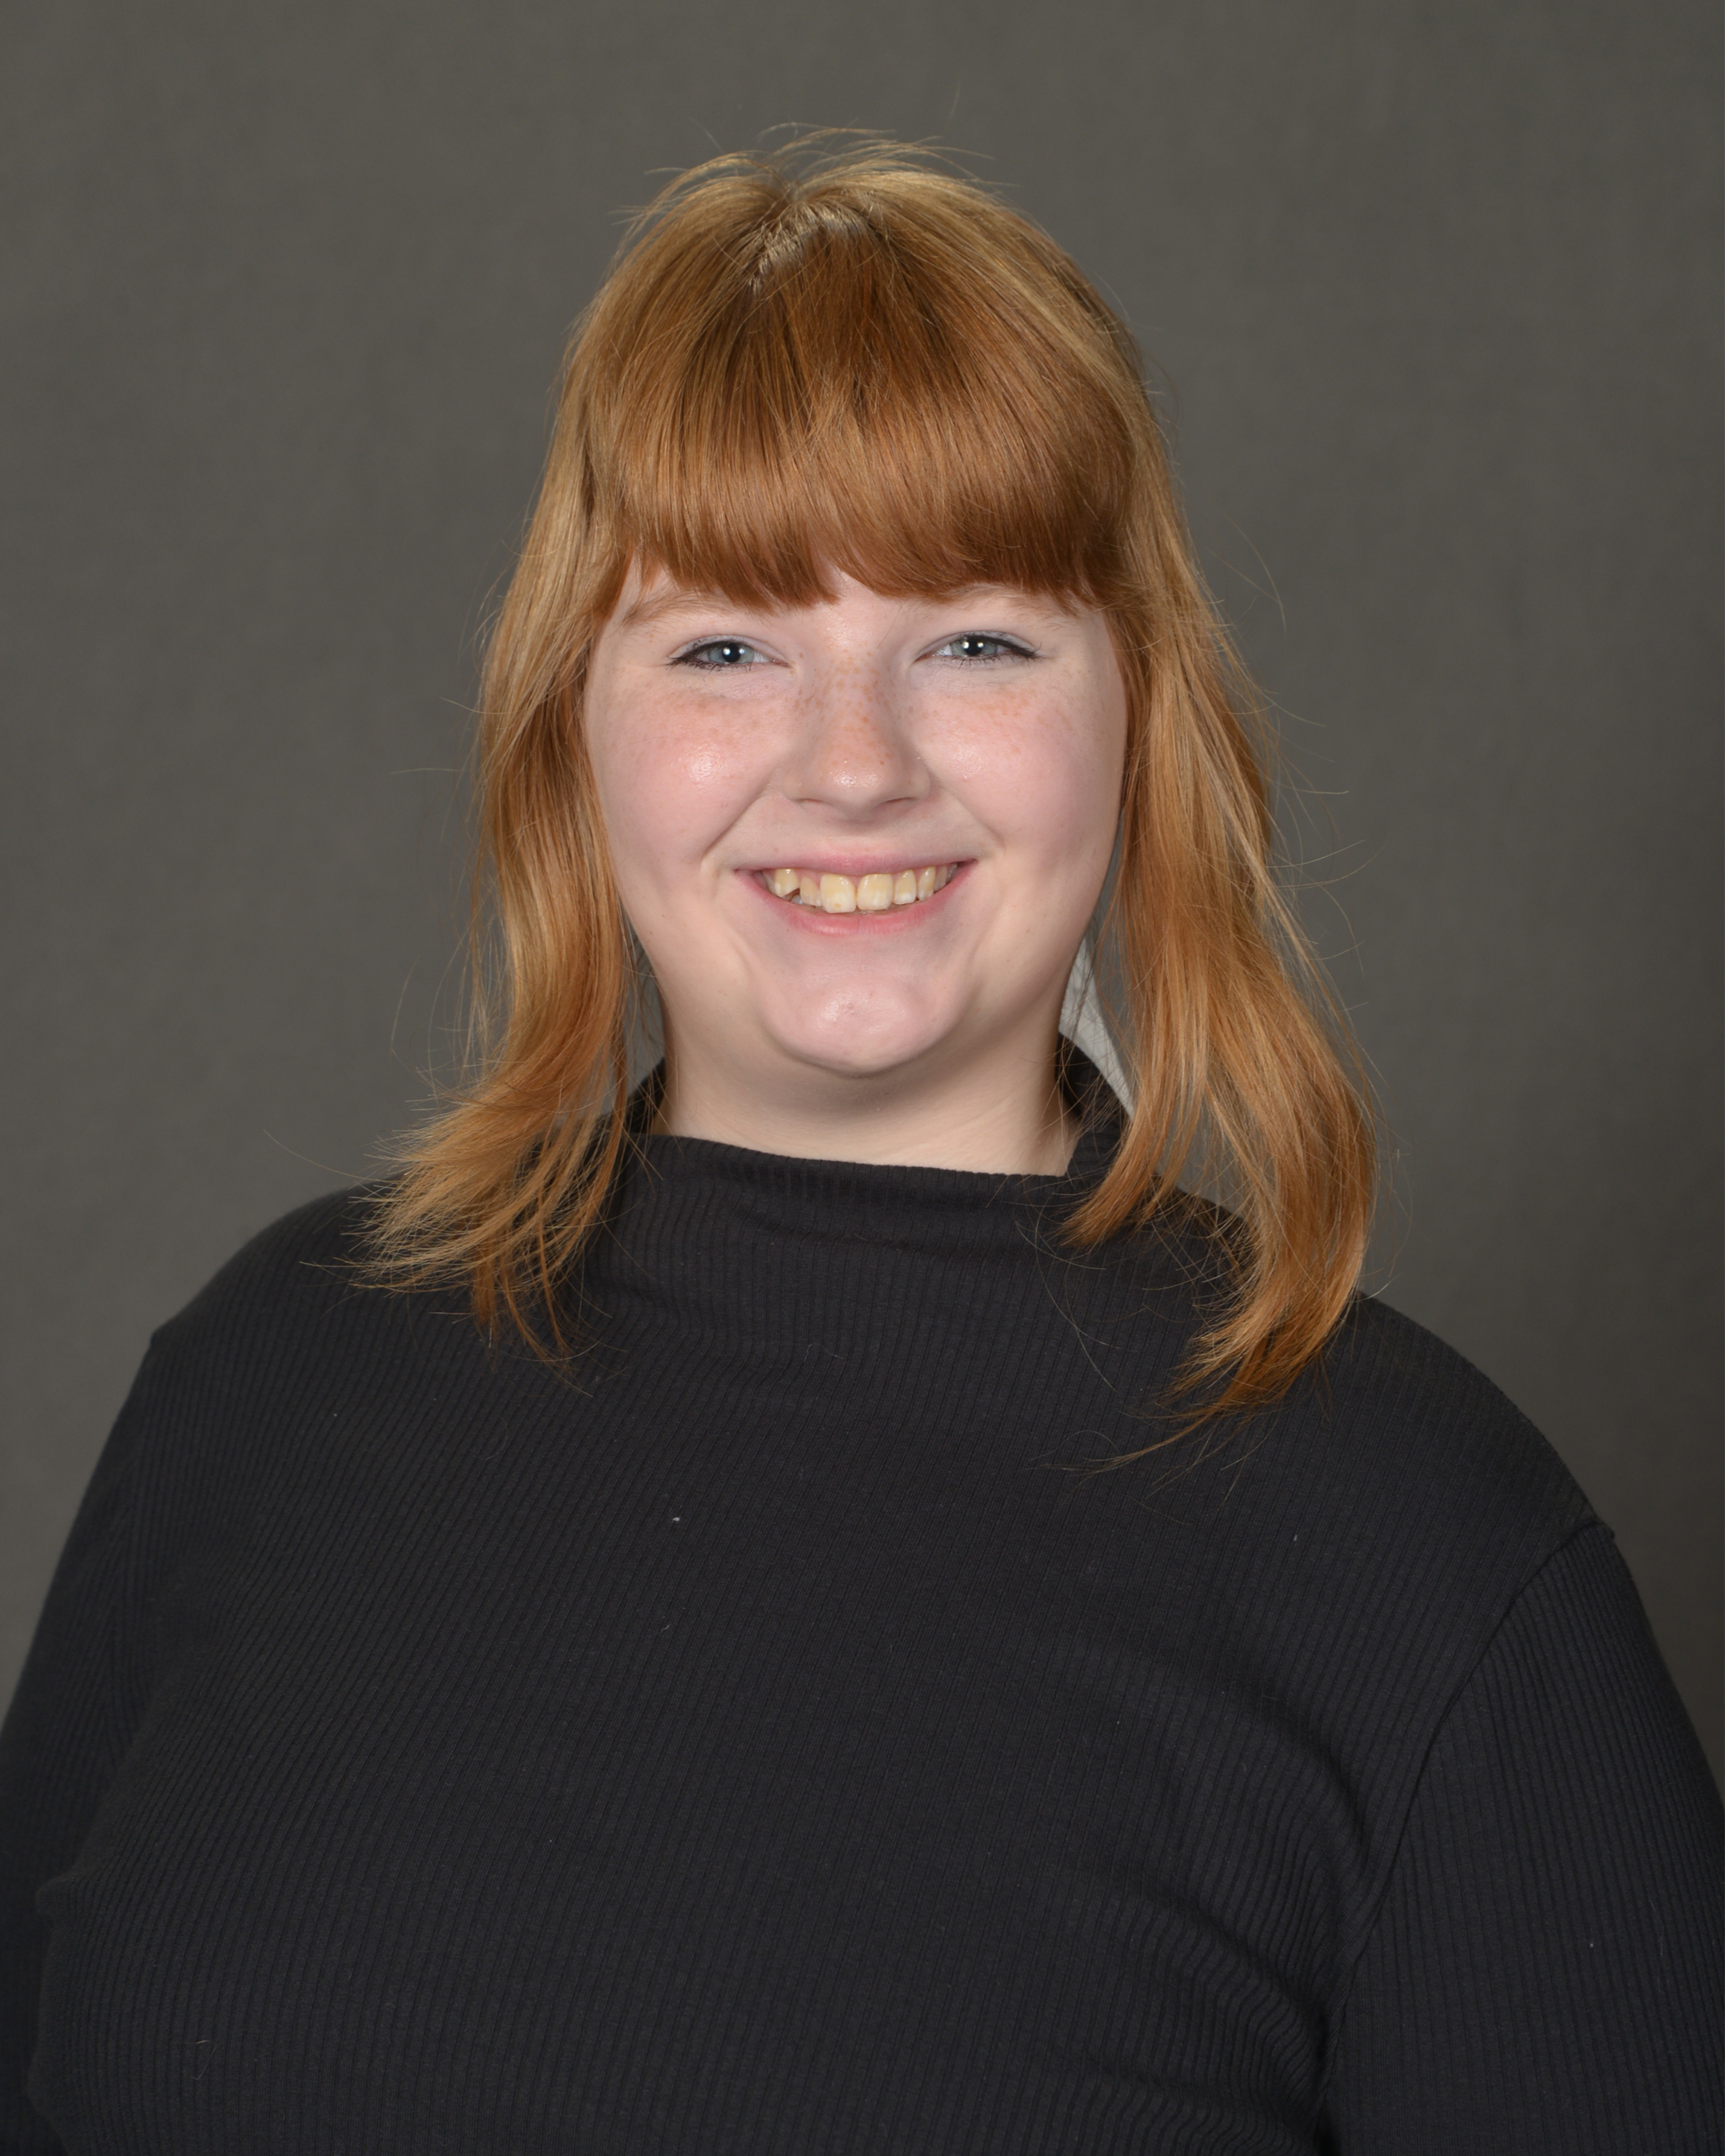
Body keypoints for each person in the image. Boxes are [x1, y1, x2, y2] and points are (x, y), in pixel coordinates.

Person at [1, 141, 1717, 2155]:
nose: (852, 766)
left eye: (976, 639)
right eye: (726, 644)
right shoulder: (267, 1380)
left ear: (1139, 716)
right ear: (572, 725)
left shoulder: (1432, 1561)